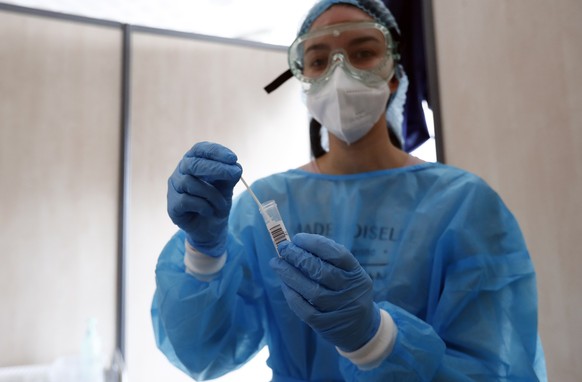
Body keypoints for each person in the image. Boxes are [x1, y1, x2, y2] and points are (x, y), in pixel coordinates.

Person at [151, 0, 547, 380]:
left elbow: (497, 370)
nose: (340, 75)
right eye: (319, 60)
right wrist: (204, 255)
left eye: (362, 52)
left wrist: (376, 341)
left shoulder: (463, 205)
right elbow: (202, 352)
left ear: (393, 71)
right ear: (303, 81)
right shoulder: (265, 204)